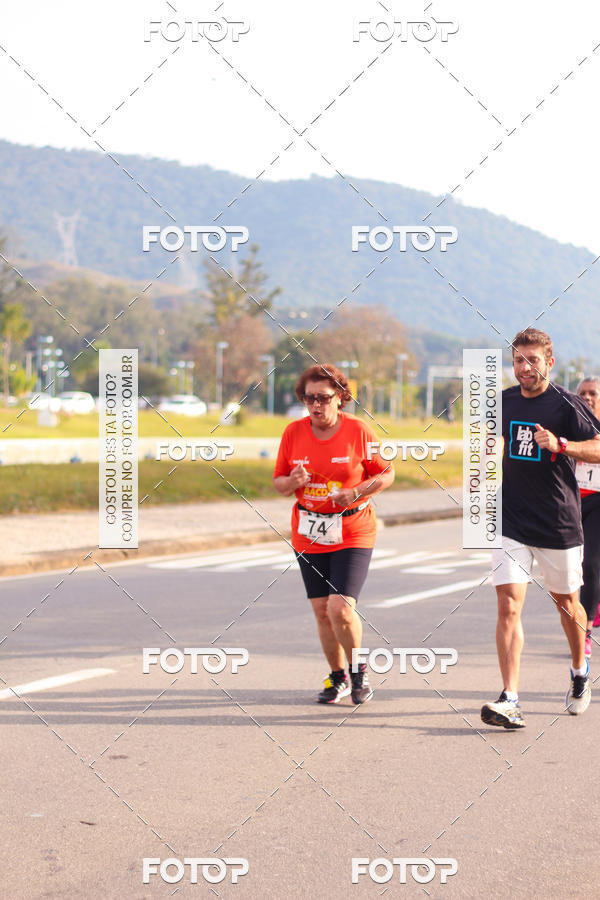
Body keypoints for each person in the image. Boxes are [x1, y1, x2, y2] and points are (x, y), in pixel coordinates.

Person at [480, 329, 600, 729]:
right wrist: (491, 447)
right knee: (508, 604)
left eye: (533, 360)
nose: (525, 368)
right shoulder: (505, 400)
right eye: (518, 360)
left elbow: (599, 447)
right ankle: (510, 697)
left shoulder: (567, 404)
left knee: (568, 606)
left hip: (558, 523)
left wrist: (561, 445)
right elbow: (494, 437)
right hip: (512, 520)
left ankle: (579, 669)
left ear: (550, 361)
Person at [273, 363, 394, 704]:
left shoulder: (358, 431)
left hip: (353, 528)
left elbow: (387, 474)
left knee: (340, 608)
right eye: (309, 398)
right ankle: (338, 676)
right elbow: (279, 483)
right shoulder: (293, 433)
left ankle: (358, 673)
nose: (315, 405)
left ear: (340, 397)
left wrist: (356, 492)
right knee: (322, 611)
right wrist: (292, 483)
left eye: (323, 398)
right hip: (309, 531)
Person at [576, 376, 600, 656]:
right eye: (582, 392)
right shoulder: (570, 424)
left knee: (591, 563)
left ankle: (585, 633)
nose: (587, 397)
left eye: (593, 393)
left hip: (597, 502)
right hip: (571, 505)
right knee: (574, 571)